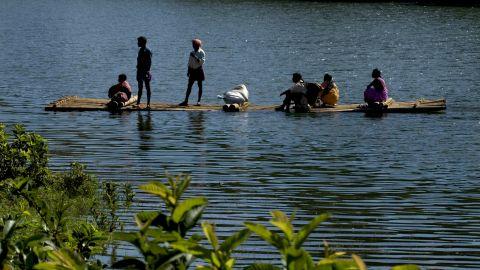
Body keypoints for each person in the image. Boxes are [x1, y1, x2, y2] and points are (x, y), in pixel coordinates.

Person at [179, 39, 206, 106]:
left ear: (197, 45)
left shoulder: (201, 52)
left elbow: (201, 62)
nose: (193, 46)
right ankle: (186, 101)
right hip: (192, 70)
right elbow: (190, 63)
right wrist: (188, 71)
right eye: (193, 45)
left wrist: (195, 56)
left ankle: (198, 102)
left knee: (200, 86)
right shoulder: (192, 52)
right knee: (189, 86)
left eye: (194, 44)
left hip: (199, 70)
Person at [136, 36, 152, 109]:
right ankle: (138, 103)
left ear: (142, 42)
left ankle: (148, 104)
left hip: (145, 71)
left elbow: (149, 62)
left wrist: (147, 71)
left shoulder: (147, 51)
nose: (137, 43)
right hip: (139, 71)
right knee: (140, 87)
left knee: (147, 87)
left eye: (139, 41)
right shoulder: (140, 50)